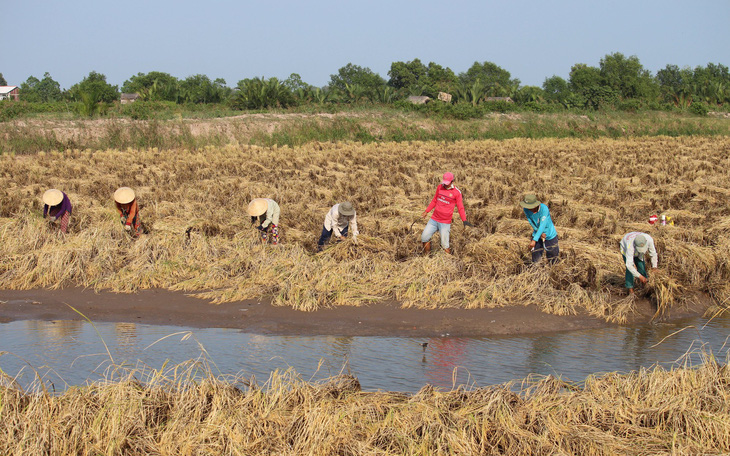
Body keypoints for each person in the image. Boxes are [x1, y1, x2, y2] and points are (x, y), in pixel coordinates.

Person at [420, 172, 472, 254]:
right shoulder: (440, 187)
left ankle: (448, 263)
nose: (445, 185)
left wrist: (464, 220)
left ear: (452, 181)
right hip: (434, 219)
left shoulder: (457, 192)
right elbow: (434, 200)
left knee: (445, 245)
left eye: (447, 183)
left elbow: (460, 207)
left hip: (445, 222)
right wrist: (426, 211)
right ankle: (426, 256)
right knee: (424, 237)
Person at [519, 194, 559, 264]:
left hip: (549, 235)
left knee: (553, 258)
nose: (528, 208)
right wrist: (538, 234)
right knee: (536, 257)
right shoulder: (526, 209)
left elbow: (542, 225)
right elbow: (531, 221)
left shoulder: (544, 209)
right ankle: (537, 270)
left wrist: (534, 240)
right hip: (537, 234)